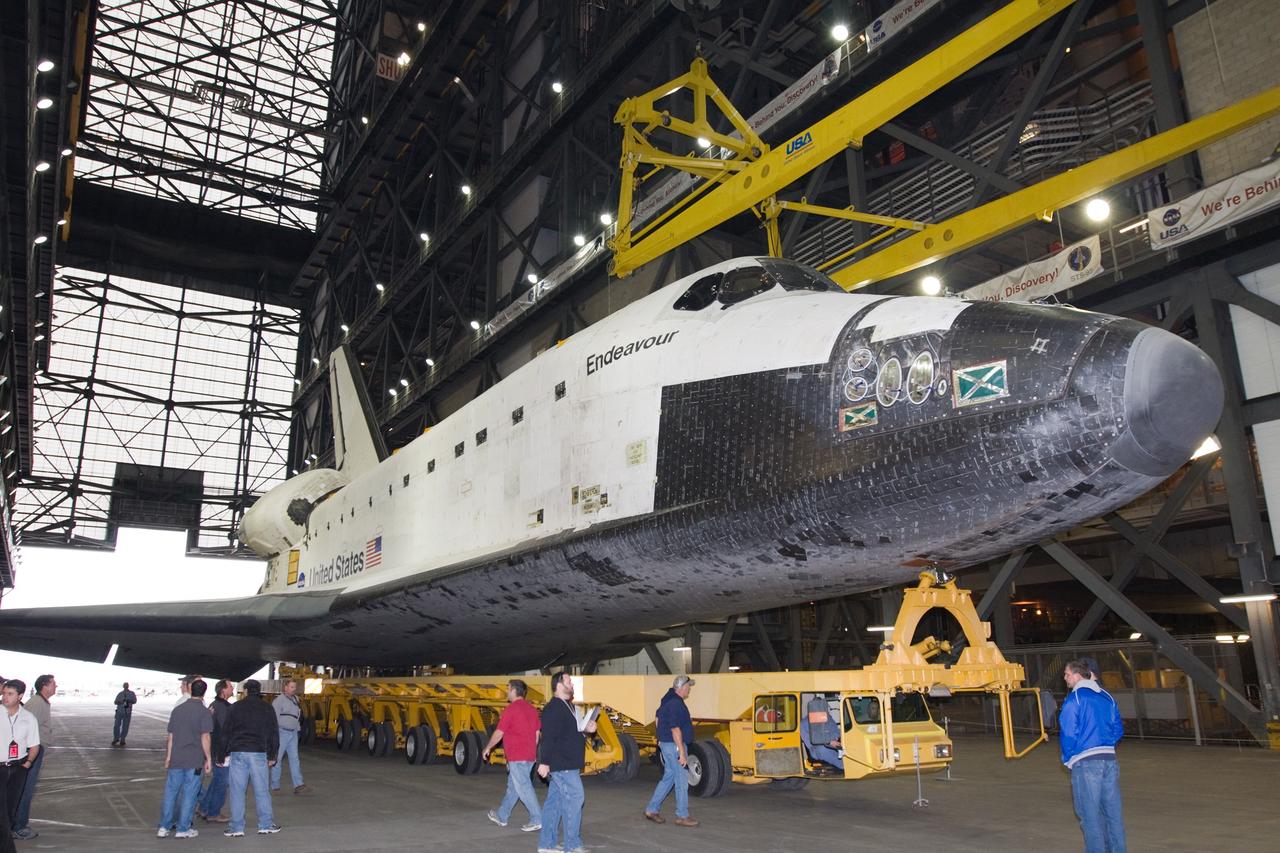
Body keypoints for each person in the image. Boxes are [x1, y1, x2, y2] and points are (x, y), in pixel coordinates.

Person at [1060, 658, 1127, 853]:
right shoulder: (1107, 697)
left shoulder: (1075, 698)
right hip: (1109, 760)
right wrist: (1105, 744)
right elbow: (1118, 729)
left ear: (1078, 675)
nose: (1065, 678)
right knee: (1112, 814)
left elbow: (1068, 733)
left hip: (1086, 762)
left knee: (1090, 816)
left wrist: (1069, 757)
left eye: (1067, 674)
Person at [536, 672, 595, 853]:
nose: (572, 684)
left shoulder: (567, 707)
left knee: (555, 804)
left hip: (567, 763)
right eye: (569, 681)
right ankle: (572, 845)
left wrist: (586, 730)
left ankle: (546, 845)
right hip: (563, 765)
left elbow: (570, 734)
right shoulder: (554, 708)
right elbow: (549, 737)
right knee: (576, 799)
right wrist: (544, 762)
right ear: (559, 685)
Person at [221, 680, 281, 837]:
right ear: (259, 691)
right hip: (259, 752)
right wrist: (273, 755)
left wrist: (222, 754)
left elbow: (226, 732)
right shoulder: (267, 708)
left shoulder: (235, 707)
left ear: (246, 691)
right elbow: (274, 733)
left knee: (237, 791)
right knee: (262, 790)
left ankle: (236, 827)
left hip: (238, 752)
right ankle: (266, 824)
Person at [481, 679, 541, 832]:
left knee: (523, 787)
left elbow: (499, 733)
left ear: (514, 691)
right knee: (513, 787)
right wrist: (532, 753)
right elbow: (537, 734)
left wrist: (488, 747)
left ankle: (537, 818)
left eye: (508, 689)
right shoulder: (532, 710)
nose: (507, 692)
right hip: (529, 756)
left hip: (517, 755)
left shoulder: (511, 709)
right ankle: (502, 815)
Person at [157, 678, 212, 839]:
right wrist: (208, 758)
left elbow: (171, 736)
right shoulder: (204, 712)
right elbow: (205, 737)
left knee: (170, 792)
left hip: (176, 758)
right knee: (190, 794)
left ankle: (164, 826)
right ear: (203, 693)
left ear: (190, 689)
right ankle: (183, 828)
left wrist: (168, 757)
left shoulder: (178, 710)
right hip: (194, 760)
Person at [644, 675, 700, 827]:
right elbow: (675, 729)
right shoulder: (675, 703)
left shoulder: (667, 699)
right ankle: (682, 815)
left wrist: (661, 737)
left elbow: (657, 717)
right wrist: (681, 752)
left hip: (667, 744)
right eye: (688, 686)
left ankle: (652, 809)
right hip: (674, 745)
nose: (689, 689)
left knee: (669, 777)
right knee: (682, 779)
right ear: (681, 687)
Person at [12, 675, 55, 840]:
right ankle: (19, 827)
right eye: (53, 683)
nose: (56, 686)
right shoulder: (37, 703)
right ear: (45, 686)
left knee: (25, 789)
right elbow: (24, 729)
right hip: (32, 751)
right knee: (25, 790)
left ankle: (17, 824)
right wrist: (29, 757)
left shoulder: (41, 702)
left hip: (35, 749)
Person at [0, 680, 39, 851]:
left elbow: (35, 745)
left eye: (10, 694)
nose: (5, 697)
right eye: (4, 693)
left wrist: (28, 763)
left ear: (20, 696)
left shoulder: (28, 718)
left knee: (9, 813)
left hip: (18, 769)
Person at [197, 680, 234, 823]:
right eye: (230, 687)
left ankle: (205, 807)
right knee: (222, 783)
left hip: (215, 750)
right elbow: (225, 731)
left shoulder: (214, 705)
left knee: (217, 780)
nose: (232, 689)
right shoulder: (222, 708)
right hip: (221, 751)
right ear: (223, 690)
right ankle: (214, 812)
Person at [269, 678, 310, 795]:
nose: (293, 689)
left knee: (295, 759)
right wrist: (274, 734)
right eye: (291, 687)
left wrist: (297, 729)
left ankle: (298, 785)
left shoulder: (296, 699)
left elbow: (297, 716)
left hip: (293, 733)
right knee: (277, 759)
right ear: (285, 687)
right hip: (281, 732)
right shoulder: (278, 701)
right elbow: (274, 719)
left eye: (294, 687)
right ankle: (275, 785)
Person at [112, 682, 137, 746]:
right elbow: (115, 702)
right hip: (119, 711)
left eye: (126, 685)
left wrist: (129, 701)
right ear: (123, 686)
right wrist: (120, 702)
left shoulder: (132, 693)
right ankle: (116, 738)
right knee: (116, 725)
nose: (125, 686)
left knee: (125, 726)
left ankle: (122, 739)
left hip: (127, 712)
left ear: (128, 686)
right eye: (124, 685)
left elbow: (135, 701)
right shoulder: (120, 694)